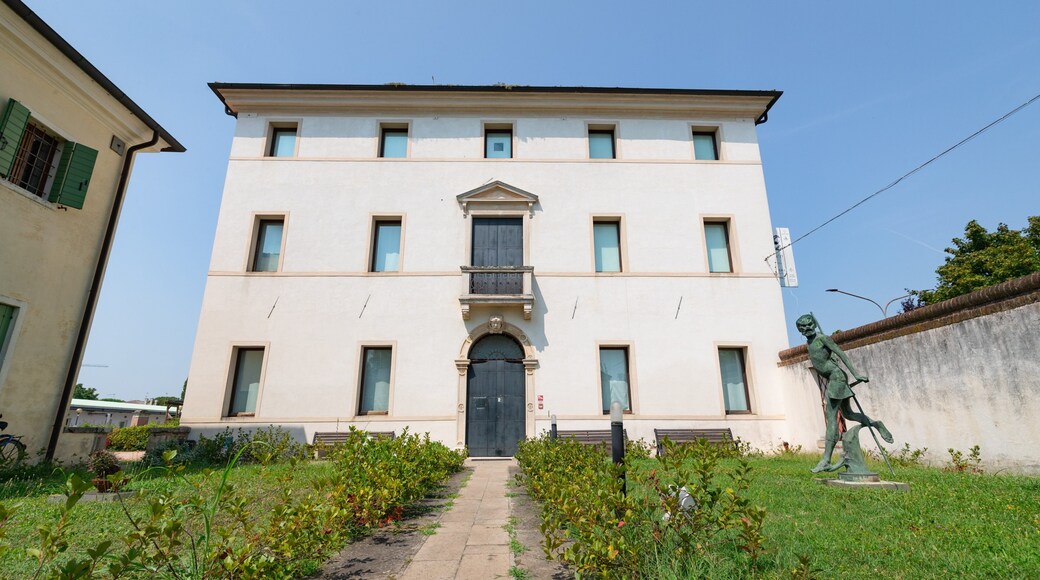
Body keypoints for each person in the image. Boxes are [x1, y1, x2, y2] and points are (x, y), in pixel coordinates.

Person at [796, 313, 893, 473]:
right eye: (803, 327)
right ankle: (877, 424)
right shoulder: (809, 342)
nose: (807, 328)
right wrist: (830, 357)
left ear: (814, 324)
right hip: (833, 379)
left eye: (809, 325)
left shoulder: (822, 338)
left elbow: (841, 353)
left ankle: (826, 460)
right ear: (799, 330)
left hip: (837, 378)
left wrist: (856, 374)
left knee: (831, 418)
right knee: (848, 414)